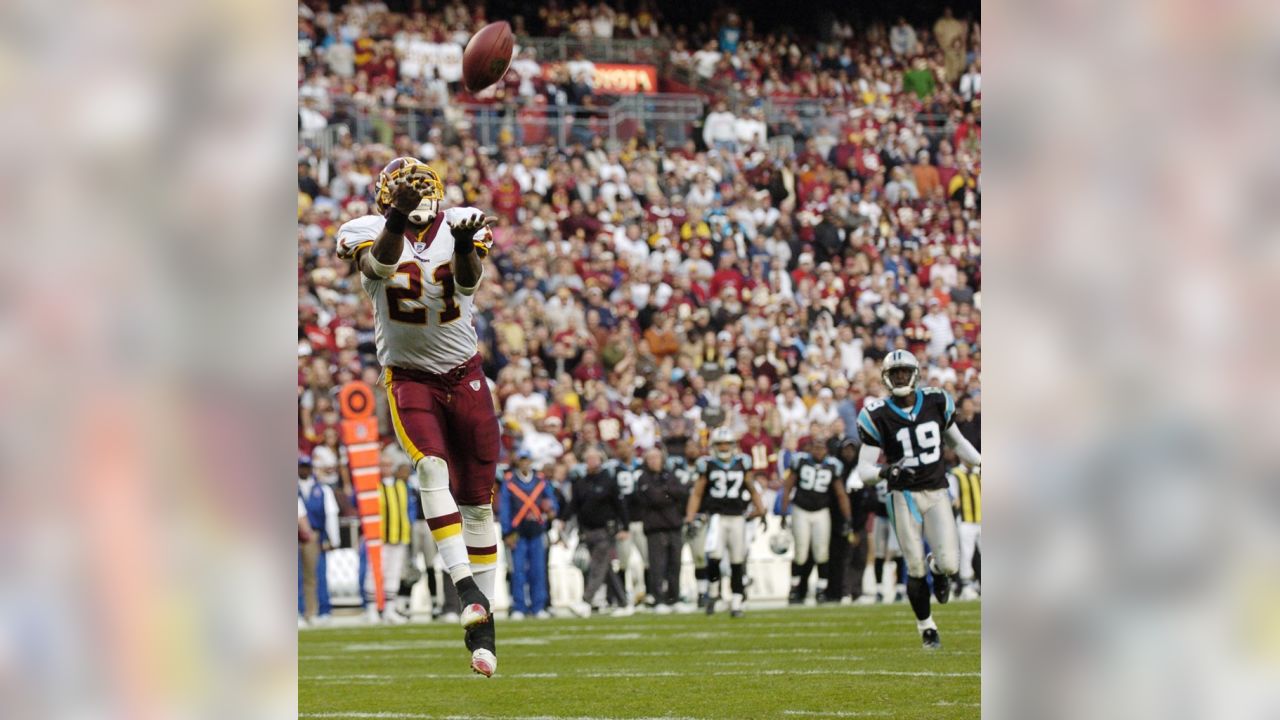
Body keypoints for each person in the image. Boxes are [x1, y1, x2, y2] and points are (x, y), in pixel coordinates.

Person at [336, 156, 501, 677]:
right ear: (385, 199)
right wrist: (392, 222)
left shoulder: (462, 222)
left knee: (478, 503)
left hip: (465, 371)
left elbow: (469, 285)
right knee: (430, 467)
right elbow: (380, 269)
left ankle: (484, 632)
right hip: (409, 376)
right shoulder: (364, 230)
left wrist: (471, 248)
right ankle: (465, 588)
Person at [854, 350, 982, 649]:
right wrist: (886, 472)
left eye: (904, 371)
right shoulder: (877, 414)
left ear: (914, 374)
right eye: (895, 372)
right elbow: (864, 470)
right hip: (904, 496)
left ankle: (938, 570)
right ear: (886, 377)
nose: (900, 377)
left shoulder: (937, 402)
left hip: (937, 491)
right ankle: (927, 627)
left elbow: (958, 443)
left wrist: (982, 462)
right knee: (913, 567)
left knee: (949, 564)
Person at [685, 427, 766, 618]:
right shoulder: (708, 465)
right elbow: (697, 493)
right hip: (716, 518)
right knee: (714, 556)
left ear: (733, 445)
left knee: (738, 560)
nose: (723, 447)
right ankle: (713, 593)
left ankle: (737, 602)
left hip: (738, 517)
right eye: (719, 444)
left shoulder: (742, 463)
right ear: (714, 446)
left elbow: (752, 488)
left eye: (726, 444)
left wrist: (761, 510)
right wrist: (690, 517)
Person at [780, 434, 853, 604]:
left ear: (826, 450)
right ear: (810, 448)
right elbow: (787, 487)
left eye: (821, 447)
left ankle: (821, 589)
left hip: (821, 511)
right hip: (801, 510)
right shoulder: (800, 461)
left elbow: (841, 494)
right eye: (816, 447)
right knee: (801, 552)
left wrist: (847, 517)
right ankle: (794, 589)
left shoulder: (833, 465)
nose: (818, 451)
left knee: (822, 552)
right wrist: (784, 512)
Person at [565, 447, 630, 617]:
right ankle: (624, 603)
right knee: (605, 568)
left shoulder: (608, 480)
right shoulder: (581, 482)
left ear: (600, 461)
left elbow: (619, 505)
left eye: (594, 459)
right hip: (588, 531)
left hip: (605, 530)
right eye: (589, 459)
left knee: (597, 566)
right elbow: (574, 505)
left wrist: (625, 526)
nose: (591, 462)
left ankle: (585, 601)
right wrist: (562, 519)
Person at [499, 450, 558, 619]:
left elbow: (551, 501)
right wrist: (507, 532)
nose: (525, 463)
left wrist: (551, 509)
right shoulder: (510, 482)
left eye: (527, 460)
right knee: (518, 571)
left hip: (536, 530)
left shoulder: (540, 481)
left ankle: (538, 606)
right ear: (518, 462)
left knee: (538, 570)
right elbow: (505, 508)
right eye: (521, 460)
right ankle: (519, 606)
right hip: (517, 532)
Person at [634, 446, 689, 614]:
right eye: (650, 459)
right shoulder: (643, 478)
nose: (654, 461)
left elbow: (682, 493)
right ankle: (658, 599)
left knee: (675, 564)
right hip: (655, 528)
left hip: (673, 526)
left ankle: (674, 598)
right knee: (657, 566)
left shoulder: (670, 475)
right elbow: (654, 498)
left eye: (656, 458)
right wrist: (668, 494)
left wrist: (664, 493)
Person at [367, 455, 412, 624]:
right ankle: (372, 609)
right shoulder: (374, 486)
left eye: (388, 465)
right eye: (383, 465)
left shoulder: (401, 486)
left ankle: (390, 610)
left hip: (399, 535)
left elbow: (408, 510)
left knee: (394, 573)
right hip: (380, 537)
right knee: (374, 573)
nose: (386, 468)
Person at [298, 455, 339, 627]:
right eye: (302, 467)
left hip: (312, 534)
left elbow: (331, 515)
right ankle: (297, 612)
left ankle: (312, 611)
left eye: (307, 467)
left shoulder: (322, 489)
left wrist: (331, 538)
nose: (304, 470)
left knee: (312, 576)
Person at [609, 437, 647, 607]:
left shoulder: (642, 467)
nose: (622, 451)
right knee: (622, 563)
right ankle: (621, 597)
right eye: (619, 447)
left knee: (648, 560)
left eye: (625, 447)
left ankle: (649, 594)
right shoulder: (612, 470)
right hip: (623, 524)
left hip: (642, 520)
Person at [947, 458, 982, 599]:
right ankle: (966, 586)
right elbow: (952, 499)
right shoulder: (954, 474)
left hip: (982, 519)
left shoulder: (979, 472)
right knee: (966, 554)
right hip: (965, 520)